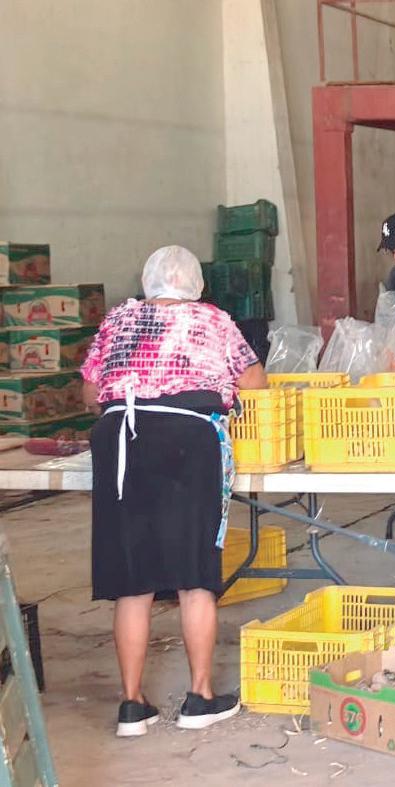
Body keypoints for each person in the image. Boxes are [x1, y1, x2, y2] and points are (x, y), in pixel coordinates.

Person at [81, 246, 267, 736]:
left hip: (119, 439)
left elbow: (90, 392)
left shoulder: (118, 319)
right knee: (194, 575)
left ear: (147, 282)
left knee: (133, 580)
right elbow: (255, 382)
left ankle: (131, 705)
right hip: (187, 439)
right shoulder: (213, 320)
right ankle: (200, 697)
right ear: (196, 284)